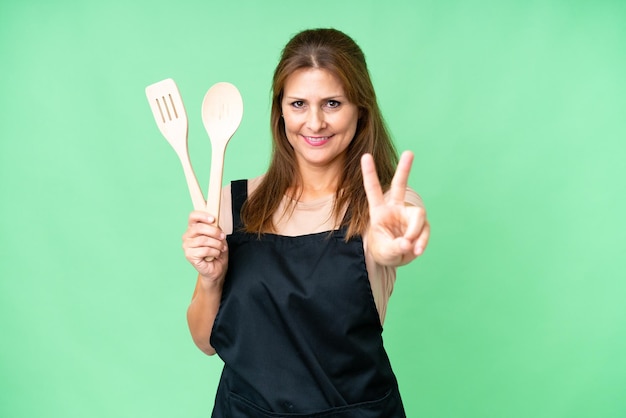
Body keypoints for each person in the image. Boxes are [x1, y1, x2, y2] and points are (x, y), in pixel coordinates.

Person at [182, 28, 430, 417]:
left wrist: (390, 246)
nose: (314, 123)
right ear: (279, 110)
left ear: (360, 110)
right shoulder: (233, 203)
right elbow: (204, 340)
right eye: (298, 103)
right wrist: (212, 278)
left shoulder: (385, 207)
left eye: (333, 103)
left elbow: (395, 241)